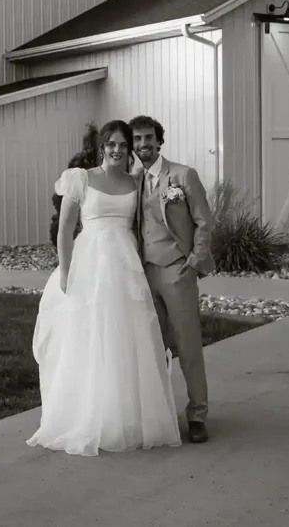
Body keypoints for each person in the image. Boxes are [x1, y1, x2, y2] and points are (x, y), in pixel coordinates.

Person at [26, 120, 182, 456]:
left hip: (126, 268)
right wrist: (66, 270)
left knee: (127, 339)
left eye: (123, 145)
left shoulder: (136, 182)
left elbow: (145, 223)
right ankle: (88, 414)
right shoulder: (81, 179)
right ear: (102, 147)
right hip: (89, 267)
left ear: (129, 151)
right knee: (89, 338)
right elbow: (65, 228)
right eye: (111, 144)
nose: (117, 150)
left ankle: (125, 416)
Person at [130, 115, 215, 443]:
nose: (143, 144)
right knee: (153, 347)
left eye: (148, 137)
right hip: (145, 274)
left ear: (159, 140)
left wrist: (193, 264)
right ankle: (161, 413)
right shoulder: (135, 181)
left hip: (178, 272)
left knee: (188, 346)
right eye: (137, 139)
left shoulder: (183, 175)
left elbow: (204, 222)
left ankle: (197, 415)